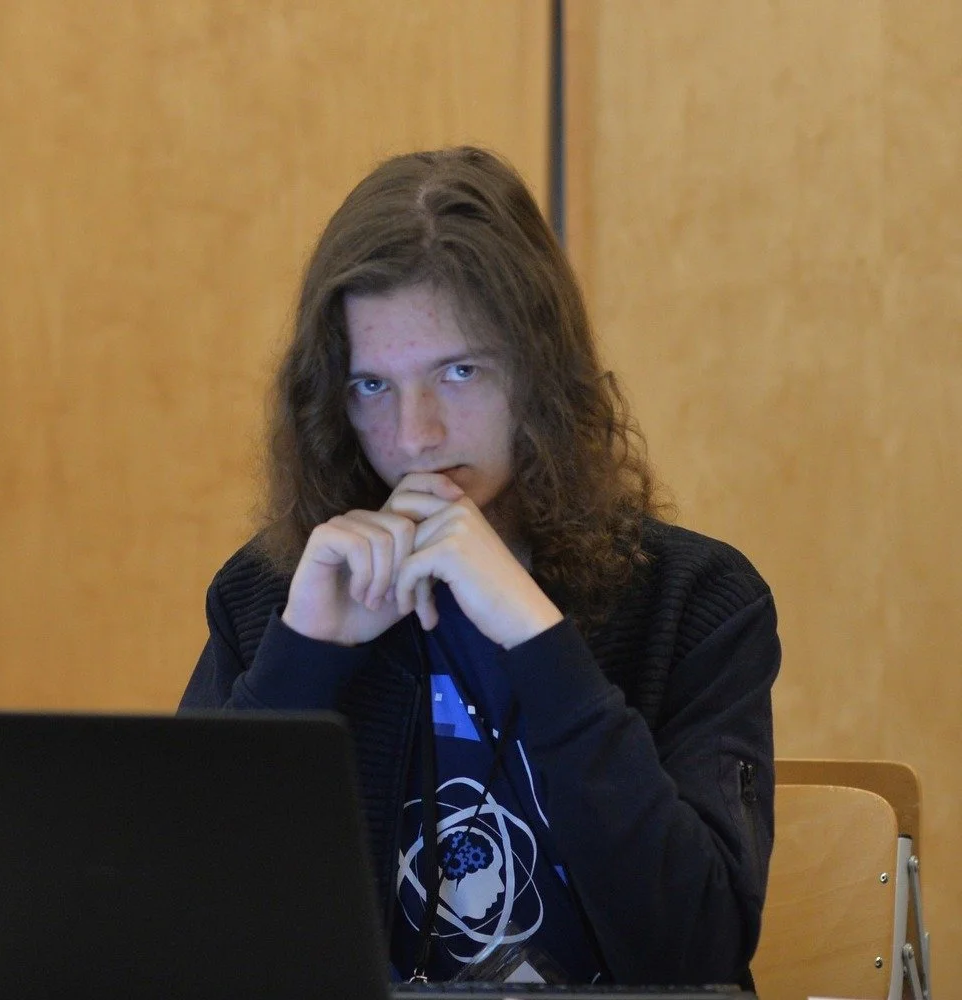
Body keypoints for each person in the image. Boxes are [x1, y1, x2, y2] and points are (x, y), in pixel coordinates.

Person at [180, 146, 781, 988]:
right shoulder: (273, 596)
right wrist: (302, 659)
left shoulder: (696, 602)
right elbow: (176, 928)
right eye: (372, 387)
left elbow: (697, 953)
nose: (415, 435)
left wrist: (537, 639)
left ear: (540, 377)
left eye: (458, 372)